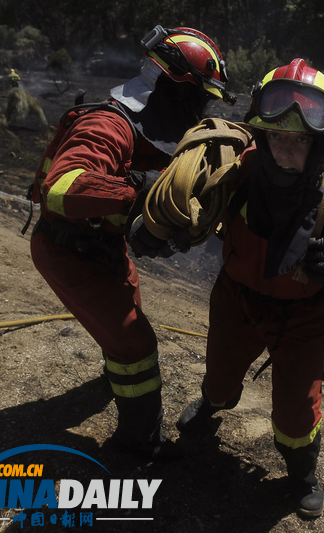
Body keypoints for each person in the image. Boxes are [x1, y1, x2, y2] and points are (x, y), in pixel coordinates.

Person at [169, 59, 324, 517]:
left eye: (301, 140)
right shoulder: (239, 171)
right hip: (236, 298)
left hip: (302, 317)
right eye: (277, 137)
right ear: (260, 136)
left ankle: (302, 470)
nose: (287, 151)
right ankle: (213, 403)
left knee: (296, 411)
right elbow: (192, 198)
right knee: (221, 374)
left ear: (321, 141)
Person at [28, 25, 234, 461]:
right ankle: (138, 443)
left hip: (106, 245)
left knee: (126, 327)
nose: (200, 109)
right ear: (173, 86)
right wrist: (140, 192)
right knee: (136, 346)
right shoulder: (109, 125)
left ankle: (117, 374)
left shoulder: (152, 122)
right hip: (69, 251)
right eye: (199, 97)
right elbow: (62, 187)